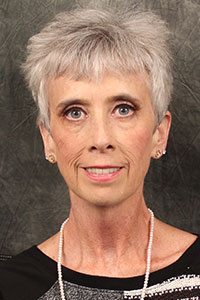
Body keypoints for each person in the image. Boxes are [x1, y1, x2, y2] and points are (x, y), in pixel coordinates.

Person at [0, 2, 199, 300]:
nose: (101, 138)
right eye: (75, 112)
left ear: (160, 133)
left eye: (123, 109)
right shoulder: (10, 287)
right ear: (48, 138)